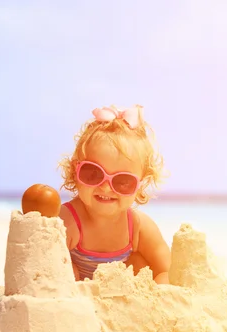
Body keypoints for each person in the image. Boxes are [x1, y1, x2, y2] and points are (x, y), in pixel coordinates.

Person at [57, 105, 171, 284]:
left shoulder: (138, 226)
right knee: (64, 268)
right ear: (74, 171)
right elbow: (42, 267)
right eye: (93, 173)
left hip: (121, 298)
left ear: (140, 186)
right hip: (75, 298)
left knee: (141, 264)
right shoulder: (67, 221)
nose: (106, 187)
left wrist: (159, 293)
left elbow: (167, 269)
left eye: (123, 181)